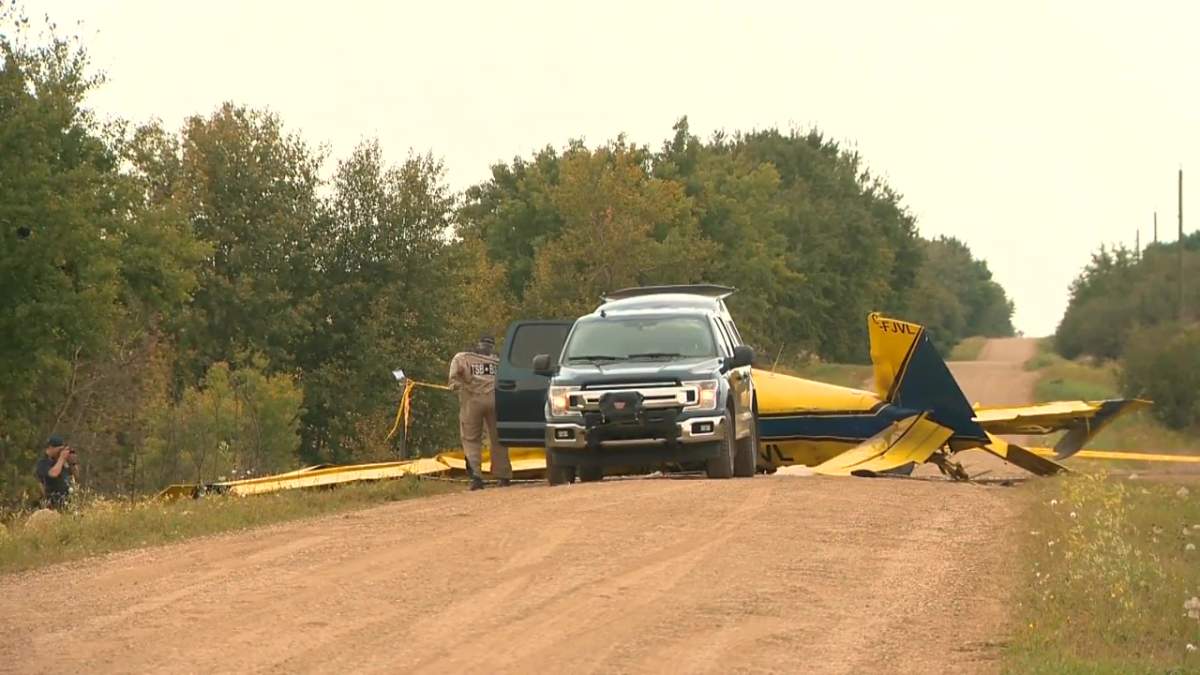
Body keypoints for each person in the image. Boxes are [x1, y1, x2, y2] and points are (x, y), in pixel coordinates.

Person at [448, 334, 512, 490]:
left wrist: (456, 386)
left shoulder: (462, 357)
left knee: (470, 439)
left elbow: (453, 379)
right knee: (498, 439)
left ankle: (476, 477)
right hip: (495, 400)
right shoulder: (498, 361)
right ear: (492, 346)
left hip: (472, 400)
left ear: (478, 344)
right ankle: (503, 476)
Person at [35, 435, 76, 510]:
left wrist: (72, 463)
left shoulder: (61, 462)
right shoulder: (43, 463)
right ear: (50, 448)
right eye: (60, 450)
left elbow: (75, 477)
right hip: (51, 505)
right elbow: (53, 473)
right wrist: (61, 458)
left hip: (67, 504)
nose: (61, 452)